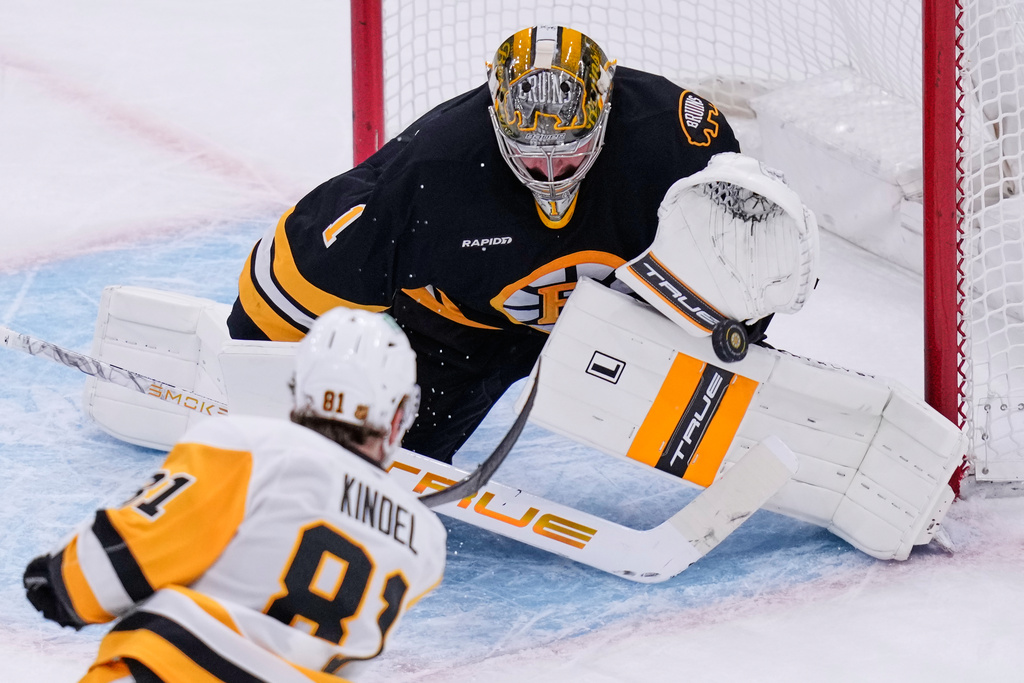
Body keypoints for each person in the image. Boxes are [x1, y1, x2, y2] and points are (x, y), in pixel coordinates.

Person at [227, 25, 754, 464]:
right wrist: (245, 380)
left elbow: (748, 245)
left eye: (569, 153)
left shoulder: (677, 138)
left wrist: (740, 331)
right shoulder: (434, 170)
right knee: (392, 462)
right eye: (530, 156)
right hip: (464, 330)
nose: (551, 173)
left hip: (627, 320)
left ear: (606, 111)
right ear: (496, 120)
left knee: (723, 423)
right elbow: (296, 275)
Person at [23, 309, 447, 682]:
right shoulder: (426, 541)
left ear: (301, 388)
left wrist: (59, 583)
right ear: (398, 414)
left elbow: (112, 571)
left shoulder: (246, 448)